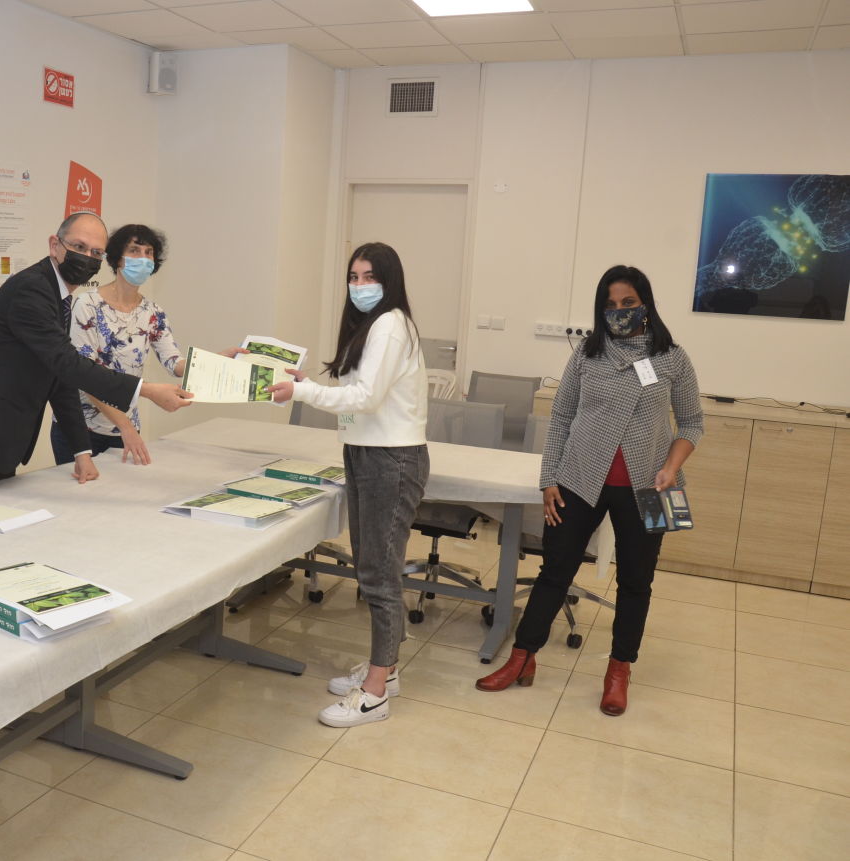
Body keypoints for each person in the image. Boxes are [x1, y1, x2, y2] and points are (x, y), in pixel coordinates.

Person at [475, 264, 702, 716]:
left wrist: (671, 467)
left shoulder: (672, 357)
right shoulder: (587, 353)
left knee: (637, 581)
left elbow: (692, 423)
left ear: (646, 304)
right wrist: (548, 478)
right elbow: (561, 417)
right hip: (580, 479)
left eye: (628, 303)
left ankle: (619, 671)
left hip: (652, 485)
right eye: (610, 305)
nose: (619, 311)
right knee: (554, 571)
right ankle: (522, 657)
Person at [268, 242, 428, 728]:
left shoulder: (390, 325)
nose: (359, 286)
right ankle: (387, 669)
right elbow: (356, 393)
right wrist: (305, 383)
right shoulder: (373, 326)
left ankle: (375, 693)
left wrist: (302, 391)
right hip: (365, 452)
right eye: (353, 278)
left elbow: (366, 397)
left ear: (389, 280)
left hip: (390, 459)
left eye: (369, 277)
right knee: (372, 566)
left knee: (379, 574)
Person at [0, 212, 193, 494]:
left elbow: (60, 378)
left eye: (95, 252)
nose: (86, 257)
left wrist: (81, 451)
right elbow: (68, 365)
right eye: (79, 247)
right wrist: (146, 390)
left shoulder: (59, 296)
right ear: (55, 245)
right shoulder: (33, 289)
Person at [56, 223, 243, 466]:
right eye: (134, 250)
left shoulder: (153, 312)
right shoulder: (88, 305)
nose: (143, 258)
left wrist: (215, 362)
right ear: (117, 258)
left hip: (125, 430)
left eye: (149, 252)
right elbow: (85, 375)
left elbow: (174, 363)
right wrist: (124, 426)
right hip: (81, 429)